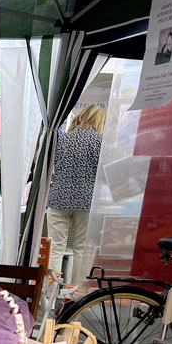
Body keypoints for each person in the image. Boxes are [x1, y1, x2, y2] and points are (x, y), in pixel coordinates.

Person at [46, 104, 104, 284]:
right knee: (82, 249)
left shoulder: (62, 139)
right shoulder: (99, 141)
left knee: (55, 248)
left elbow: (51, 167)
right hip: (86, 200)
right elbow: (102, 173)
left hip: (58, 198)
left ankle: (49, 291)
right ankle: (76, 292)